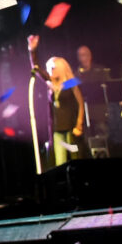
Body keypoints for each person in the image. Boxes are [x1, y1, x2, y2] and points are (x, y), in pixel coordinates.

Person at [27, 35, 86, 167]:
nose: (51, 71)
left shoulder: (71, 83)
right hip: (57, 129)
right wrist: (32, 50)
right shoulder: (51, 83)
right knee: (60, 162)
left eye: (53, 67)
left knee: (75, 158)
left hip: (71, 129)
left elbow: (80, 103)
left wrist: (79, 124)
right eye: (50, 68)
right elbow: (36, 68)